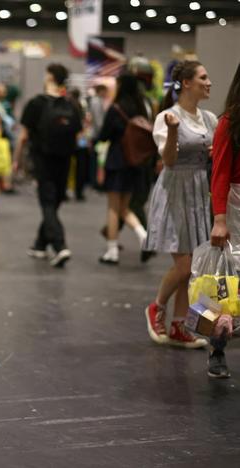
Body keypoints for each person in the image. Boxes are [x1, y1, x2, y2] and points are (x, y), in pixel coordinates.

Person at [143, 60, 217, 348]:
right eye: (203, 77)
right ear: (186, 83)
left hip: (199, 192)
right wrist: (174, 130)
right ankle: (156, 307)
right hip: (175, 191)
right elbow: (169, 161)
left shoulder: (209, 118)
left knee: (193, 266)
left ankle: (179, 326)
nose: (209, 82)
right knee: (184, 266)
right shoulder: (166, 117)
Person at [14, 63, 81, 267]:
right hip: (64, 159)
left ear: (50, 78)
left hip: (42, 159)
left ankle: (60, 246)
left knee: (48, 202)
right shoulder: (72, 104)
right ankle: (40, 244)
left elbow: (24, 136)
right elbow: (78, 134)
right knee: (55, 200)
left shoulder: (36, 103)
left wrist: (16, 160)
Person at [96, 74, 150, 265]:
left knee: (113, 207)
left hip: (117, 161)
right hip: (134, 163)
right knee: (124, 207)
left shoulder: (116, 109)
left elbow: (103, 136)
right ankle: (143, 235)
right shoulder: (141, 108)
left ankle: (112, 250)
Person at [208, 62, 240, 378]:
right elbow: (219, 175)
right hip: (235, 207)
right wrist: (220, 219)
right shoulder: (229, 123)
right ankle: (217, 350)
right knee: (225, 282)